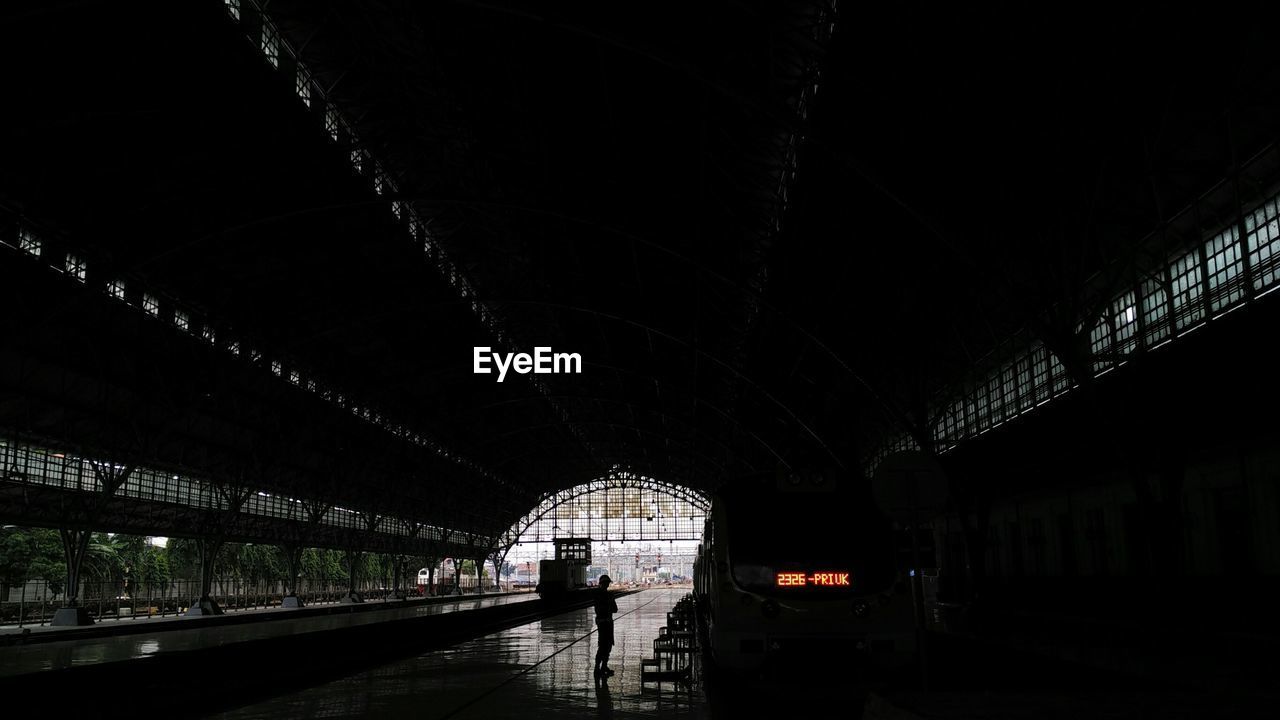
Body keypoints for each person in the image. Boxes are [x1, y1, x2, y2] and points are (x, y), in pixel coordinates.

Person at [593, 574, 618, 679]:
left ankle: (601, 667)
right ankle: (599, 668)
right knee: (605, 646)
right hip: (606, 623)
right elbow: (615, 609)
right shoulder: (607, 596)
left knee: (605, 645)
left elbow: (613, 609)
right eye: (607, 583)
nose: (607, 585)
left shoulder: (597, 595)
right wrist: (610, 601)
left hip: (603, 623)